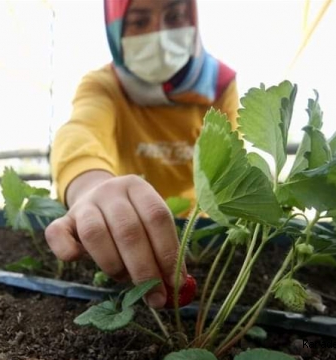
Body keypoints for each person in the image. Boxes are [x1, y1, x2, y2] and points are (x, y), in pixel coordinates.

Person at [45, 0, 239, 309]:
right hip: (123, 226)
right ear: (116, 27)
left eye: (174, 16)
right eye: (138, 21)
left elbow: (234, 166)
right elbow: (80, 131)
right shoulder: (104, 86)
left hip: (200, 231)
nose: (159, 34)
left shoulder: (219, 86)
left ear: (192, 17)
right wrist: (90, 185)